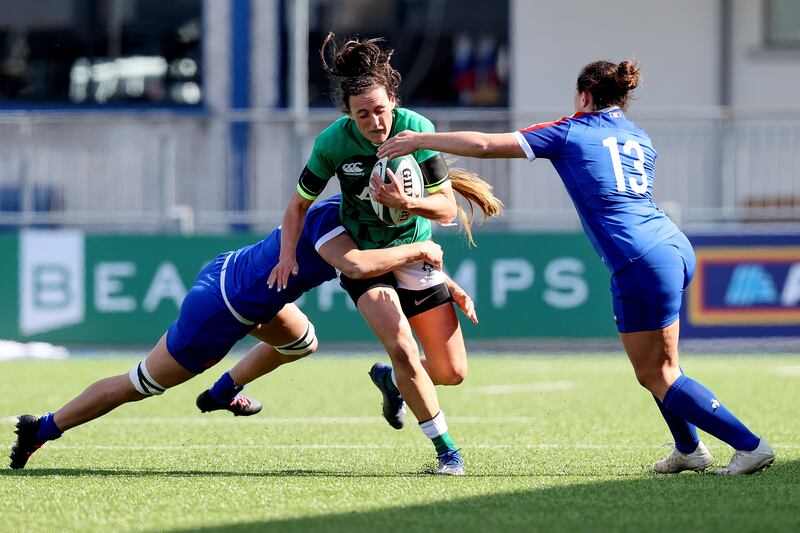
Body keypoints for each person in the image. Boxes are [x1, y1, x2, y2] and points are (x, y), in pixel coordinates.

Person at [377, 60, 775, 476]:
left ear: (585, 96)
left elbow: (485, 146)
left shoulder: (572, 130)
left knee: (657, 373)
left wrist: (418, 139)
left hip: (638, 258)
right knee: (664, 365)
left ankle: (749, 445)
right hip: (672, 245)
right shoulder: (638, 135)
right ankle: (689, 450)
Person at [8, 195, 449, 470]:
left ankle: (224, 389)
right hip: (222, 311)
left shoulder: (354, 212)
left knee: (302, 341)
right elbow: (359, 266)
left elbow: (395, 260)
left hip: (235, 276)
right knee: (139, 384)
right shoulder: (332, 223)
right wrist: (425, 247)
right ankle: (43, 427)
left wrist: (446, 282)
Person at [268, 33, 503, 476]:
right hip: (367, 257)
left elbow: (447, 208)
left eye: (380, 110)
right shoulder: (332, 144)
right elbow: (298, 205)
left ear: (393, 100)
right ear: (348, 115)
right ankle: (446, 451)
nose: (374, 122)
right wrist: (286, 255)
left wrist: (405, 204)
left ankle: (390, 382)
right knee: (402, 346)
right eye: (362, 115)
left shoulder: (419, 131)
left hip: (414, 250)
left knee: (451, 371)